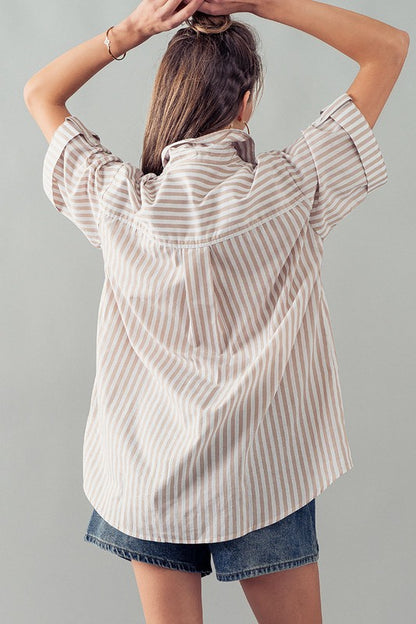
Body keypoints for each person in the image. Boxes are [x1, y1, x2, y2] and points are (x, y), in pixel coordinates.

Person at [24, 0, 409, 622]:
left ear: (169, 96)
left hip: (147, 474)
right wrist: (256, 1)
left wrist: (134, 29)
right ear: (246, 99)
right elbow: (388, 47)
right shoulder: (292, 187)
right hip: (266, 471)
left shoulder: (119, 201)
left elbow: (40, 93)